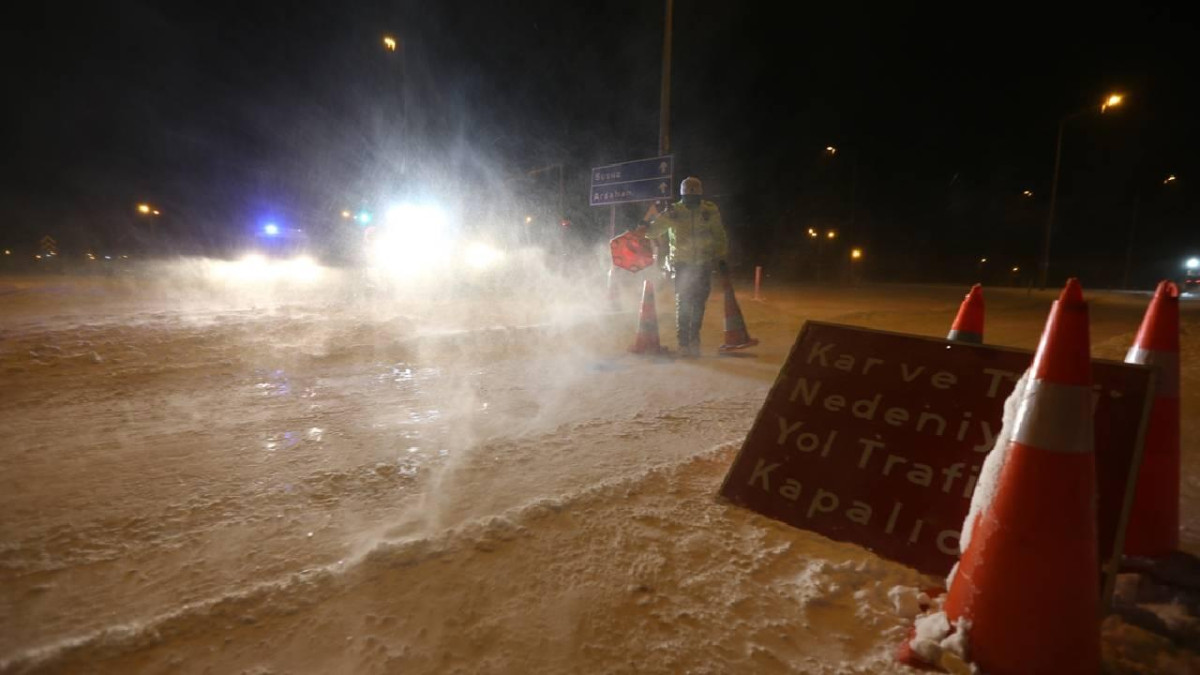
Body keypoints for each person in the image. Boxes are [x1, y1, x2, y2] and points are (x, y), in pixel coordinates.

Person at [636, 176, 728, 357]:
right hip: (682, 265)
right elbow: (653, 232)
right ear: (682, 196)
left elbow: (719, 235)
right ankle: (684, 343)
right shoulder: (674, 212)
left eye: (694, 199)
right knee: (684, 302)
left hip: (703, 263)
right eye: (688, 199)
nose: (691, 202)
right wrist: (645, 227)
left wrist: (721, 256)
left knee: (699, 302)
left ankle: (694, 339)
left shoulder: (709, 210)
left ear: (700, 196)